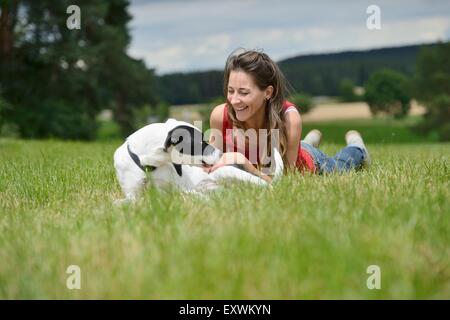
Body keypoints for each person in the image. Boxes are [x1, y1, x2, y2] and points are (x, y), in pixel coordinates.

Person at [204, 49, 371, 182]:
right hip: (291, 147)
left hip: (305, 163)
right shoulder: (220, 116)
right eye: (230, 90)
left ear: (268, 92)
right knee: (300, 145)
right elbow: (213, 165)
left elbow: (284, 181)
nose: (234, 100)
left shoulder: (289, 119)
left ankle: (357, 147)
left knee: (340, 166)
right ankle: (306, 141)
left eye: (244, 92)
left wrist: (244, 164)